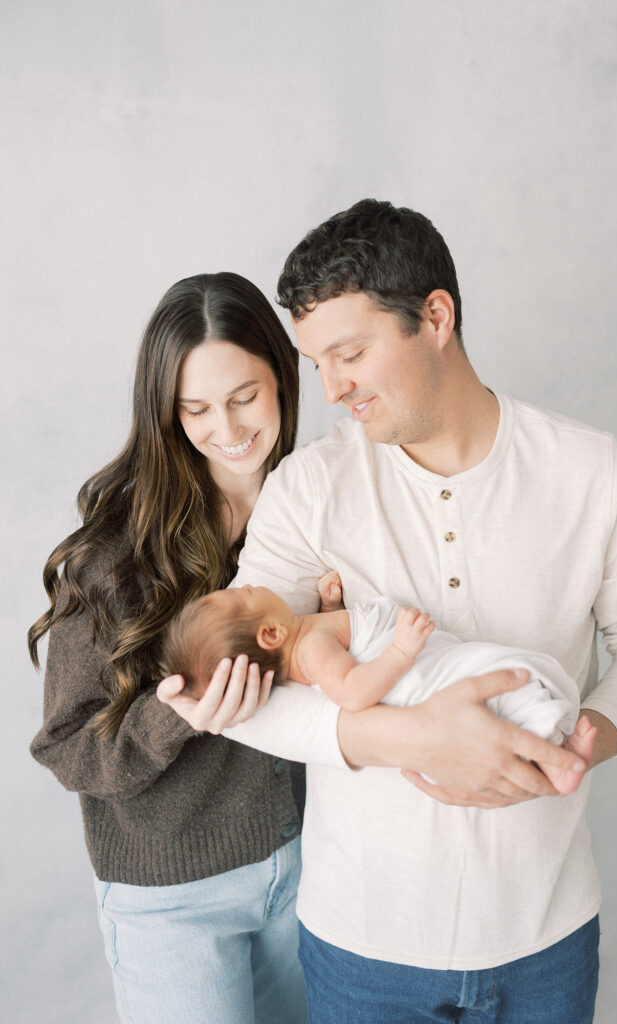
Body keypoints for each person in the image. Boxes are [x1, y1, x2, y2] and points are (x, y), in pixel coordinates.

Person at [159, 200, 617, 1024]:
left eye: (350, 353)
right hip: (362, 945)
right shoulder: (309, 487)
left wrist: (587, 739)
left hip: (545, 932)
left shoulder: (590, 472)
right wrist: (418, 740)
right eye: (316, 361)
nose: (331, 389)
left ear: (435, 316)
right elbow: (250, 696)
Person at [28, 272, 308, 1024]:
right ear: (166, 413)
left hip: (312, 876)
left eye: (245, 395)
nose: (228, 428)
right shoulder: (113, 555)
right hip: (173, 903)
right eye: (196, 409)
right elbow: (64, 748)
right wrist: (175, 716)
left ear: (282, 375)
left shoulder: (318, 509)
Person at [160, 578, 596, 794]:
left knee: (499, 699)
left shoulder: (308, 639)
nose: (248, 585)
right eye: (243, 596)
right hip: (420, 679)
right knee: (500, 684)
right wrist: (402, 650)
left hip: (410, 681)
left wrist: (331, 605)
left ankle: (553, 754)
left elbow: (343, 648)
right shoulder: (311, 647)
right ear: (270, 635)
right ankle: (555, 754)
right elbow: (351, 691)